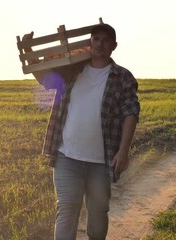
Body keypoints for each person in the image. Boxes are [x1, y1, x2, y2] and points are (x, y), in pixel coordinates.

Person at [22, 23, 140, 240]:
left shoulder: (123, 77)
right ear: (89, 42)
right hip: (67, 157)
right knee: (66, 211)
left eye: (105, 40)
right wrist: (30, 54)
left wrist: (123, 152)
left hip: (100, 161)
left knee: (98, 214)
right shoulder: (73, 70)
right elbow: (46, 79)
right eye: (96, 39)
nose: (100, 44)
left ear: (114, 46)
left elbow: (131, 112)